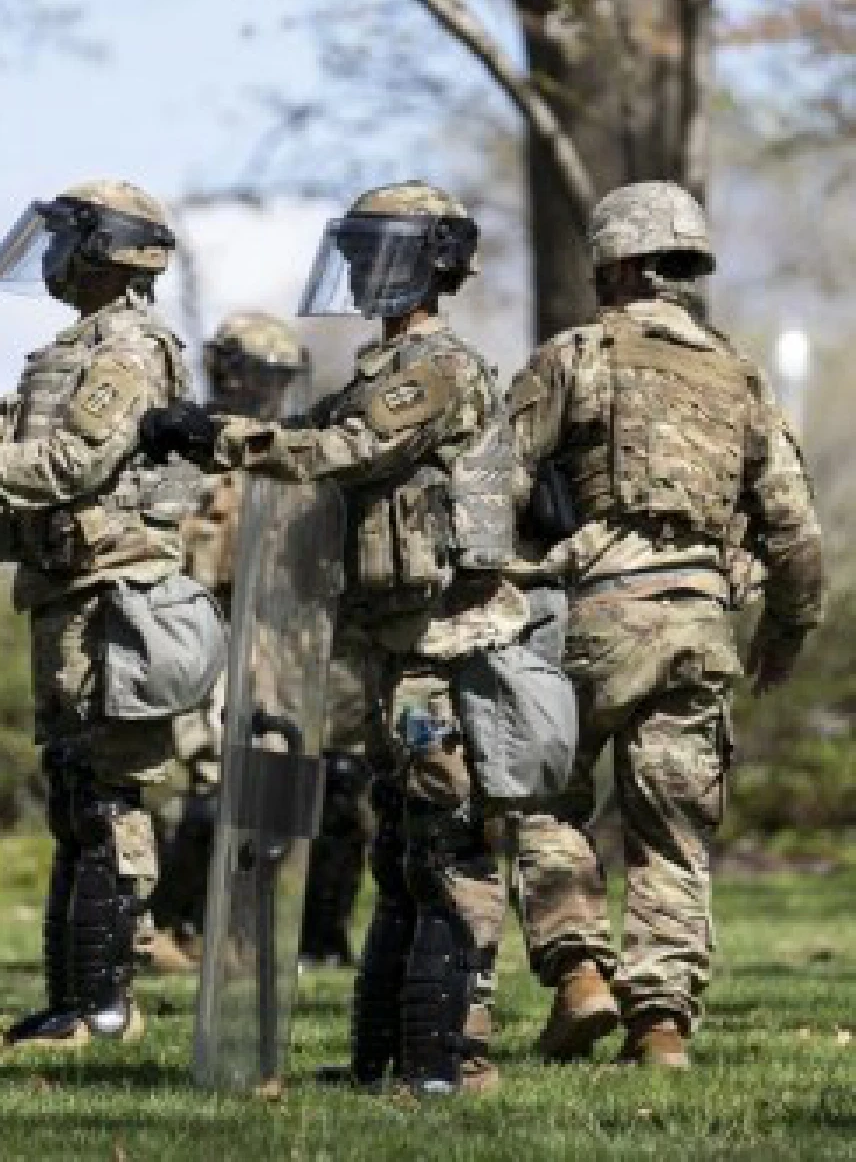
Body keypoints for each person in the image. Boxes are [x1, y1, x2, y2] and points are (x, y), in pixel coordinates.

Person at [141, 180, 526, 1094]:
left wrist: (221, 438)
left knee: (441, 848)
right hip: (389, 642)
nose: (356, 268)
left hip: (442, 639)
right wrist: (213, 436)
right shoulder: (375, 369)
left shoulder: (436, 366)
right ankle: (386, 1058)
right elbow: (306, 436)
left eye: (374, 251)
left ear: (424, 262)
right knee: (399, 848)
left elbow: (338, 450)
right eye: (351, 249)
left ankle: (442, 1064)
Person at [0, 180, 223, 1049]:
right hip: (68, 591)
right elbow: (17, 467)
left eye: (68, 238)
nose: (52, 256)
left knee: (106, 797)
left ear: (107, 249)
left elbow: (76, 460)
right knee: (75, 794)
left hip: (114, 599)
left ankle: (105, 1003)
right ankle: (75, 999)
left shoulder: (130, 346)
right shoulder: (68, 350)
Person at [505, 181, 822, 1070]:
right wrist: (784, 633)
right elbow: (797, 529)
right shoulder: (742, 375)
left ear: (624, 264)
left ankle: (579, 974)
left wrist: (499, 589)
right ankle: (661, 1028)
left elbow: (496, 488)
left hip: (592, 622)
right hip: (699, 631)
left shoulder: (574, 356)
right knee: (672, 833)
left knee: (543, 794)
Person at [146, 313, 320, 972]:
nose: (273, 394)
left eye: (282, 381)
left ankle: (243, 928)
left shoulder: (288, 448)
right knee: (213, 782)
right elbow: (157, 529)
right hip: (204, 631)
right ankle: (177, 921)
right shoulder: (190, 446)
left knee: (273, 786)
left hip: (271, 637)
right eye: (263, 379)